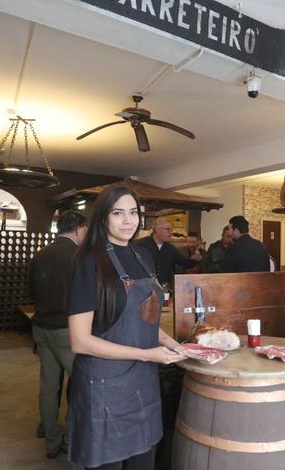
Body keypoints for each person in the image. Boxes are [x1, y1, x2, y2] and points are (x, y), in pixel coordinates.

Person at [67, 185, 185, 470]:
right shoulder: (89, 262)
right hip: (105, 385)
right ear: (103, 217)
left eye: (133, 212)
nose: (128, 220)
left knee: (144, 461)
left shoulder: (142, 256)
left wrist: (171, 343)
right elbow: (80, 342)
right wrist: (148, 354)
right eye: (118, 213)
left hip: (143, 381)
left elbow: (144, 319)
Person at [28, 209, 87, 458]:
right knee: (82, 385)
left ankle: (51, 438)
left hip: (41, 327)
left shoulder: (39, 255)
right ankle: (74, 438)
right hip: (68, 330)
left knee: (49, 386)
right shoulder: (80, 257)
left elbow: (31, 291)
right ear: (77, 230)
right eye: (85, 230)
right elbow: (86, 297)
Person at [135, 217, 200, 290]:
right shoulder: (141, 245)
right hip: (143, 289)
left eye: (171, 229)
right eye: (168, 229)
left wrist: (195, 259)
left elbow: (184, 262)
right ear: (157, 229)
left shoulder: (170, 249)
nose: (171, 232)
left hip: (164, 290)